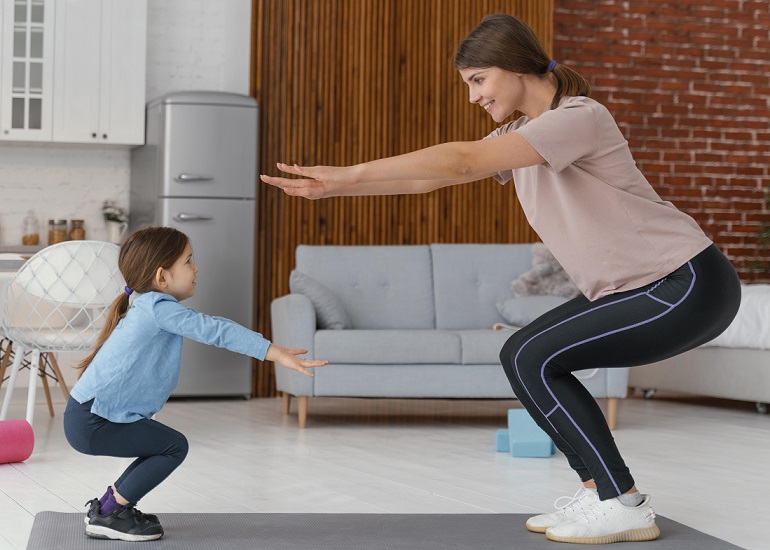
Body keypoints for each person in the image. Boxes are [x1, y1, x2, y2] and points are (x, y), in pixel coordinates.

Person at [260, 13, 741, 545]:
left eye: (477, 80)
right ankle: (601, 495)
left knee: (529, 353)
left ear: (514, 67)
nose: (473, 97)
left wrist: (351, 173)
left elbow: (463, 161)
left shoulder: (579, 117)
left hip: (684, 281)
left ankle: (620, 502)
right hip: (646, 288)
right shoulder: (521, 134)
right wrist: (336, 189)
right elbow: (428, 180)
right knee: (527, 356)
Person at [63, 226, 326, 542]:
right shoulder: (158, 309)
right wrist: (274, 352)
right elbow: (215, 330)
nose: (196, 267)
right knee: (173, 446)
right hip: (92, 420)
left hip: (86, 417)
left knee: (166, 444)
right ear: (162, 277)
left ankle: (109, 508)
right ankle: (109, 514)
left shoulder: (148, 305)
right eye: (188, 261)